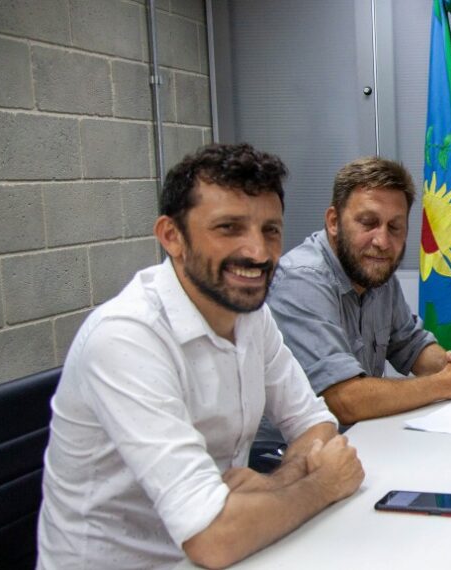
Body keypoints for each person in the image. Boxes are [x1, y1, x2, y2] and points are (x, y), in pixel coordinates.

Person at [38, 143, 365, 570]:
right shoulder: (126, 337)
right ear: (172, 237)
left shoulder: (250, 314)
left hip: (234, 547)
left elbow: (314, 422)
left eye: (270, 230)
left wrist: (276, 482)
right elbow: (212, 538)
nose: (259, 253)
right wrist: (323, 483)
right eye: (229, 227)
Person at [253, 156, 451, 453]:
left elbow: (412, 344)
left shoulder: (376, 271)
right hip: (280, 457)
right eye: (368, 223)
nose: (382, 241)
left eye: (395, 227)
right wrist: (447, 382)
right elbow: (344, 400)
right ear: (333, 222)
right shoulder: (301, 279)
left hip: (360, 440)